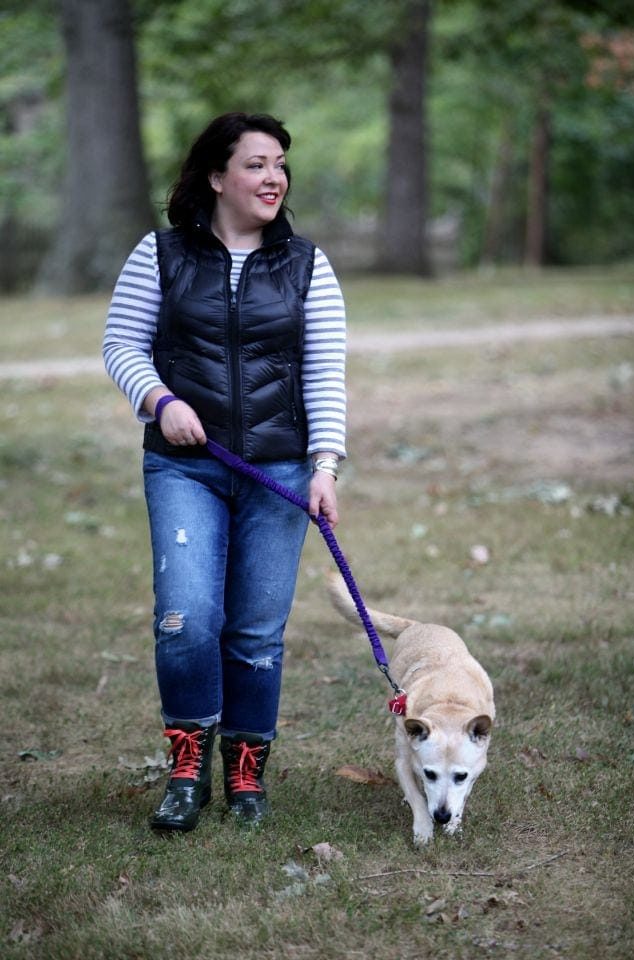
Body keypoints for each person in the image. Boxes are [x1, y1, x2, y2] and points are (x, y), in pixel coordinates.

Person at [103, 112, 346, 832]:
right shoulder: (160, 255)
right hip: (186, 468)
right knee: (187, 619)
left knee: (256, 633)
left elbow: (326, 376)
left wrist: (325, 466)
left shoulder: (307, 265)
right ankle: (186, 769)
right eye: (256, 164)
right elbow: (121, 344)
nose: (274, 178)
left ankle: (246, 773)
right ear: (216, 176)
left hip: (280, 468)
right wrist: (160, 398)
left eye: (280, 166)